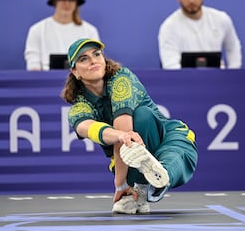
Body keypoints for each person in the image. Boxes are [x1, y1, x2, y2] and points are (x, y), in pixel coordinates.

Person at [61, 38, 198, 214]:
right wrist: (121, 181)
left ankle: (154, 180)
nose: (93, 60)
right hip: (127, 160)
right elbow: (87, 128)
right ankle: (142, 189)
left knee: (143, 117)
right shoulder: (78, 107)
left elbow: (126, 133)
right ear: (75, 71)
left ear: (103, 59)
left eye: (96, 54)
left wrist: (120, 184)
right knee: (128, 149)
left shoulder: (121, 79)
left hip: (171, 139)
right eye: (83, 59)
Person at [158, 0, 242, 69]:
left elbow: (233, 47)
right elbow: (170, 65)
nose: (191, 0)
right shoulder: (169, 27)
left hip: (219, 80)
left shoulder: (221, 19)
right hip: (184, 82)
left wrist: (233, 74)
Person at [24, 0, 100, 71]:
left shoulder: (89, 31)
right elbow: (33, 65)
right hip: (47, 83)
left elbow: (95, 64)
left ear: (76, 3)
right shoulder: (37, 30)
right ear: (55, 1)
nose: (67, 3)